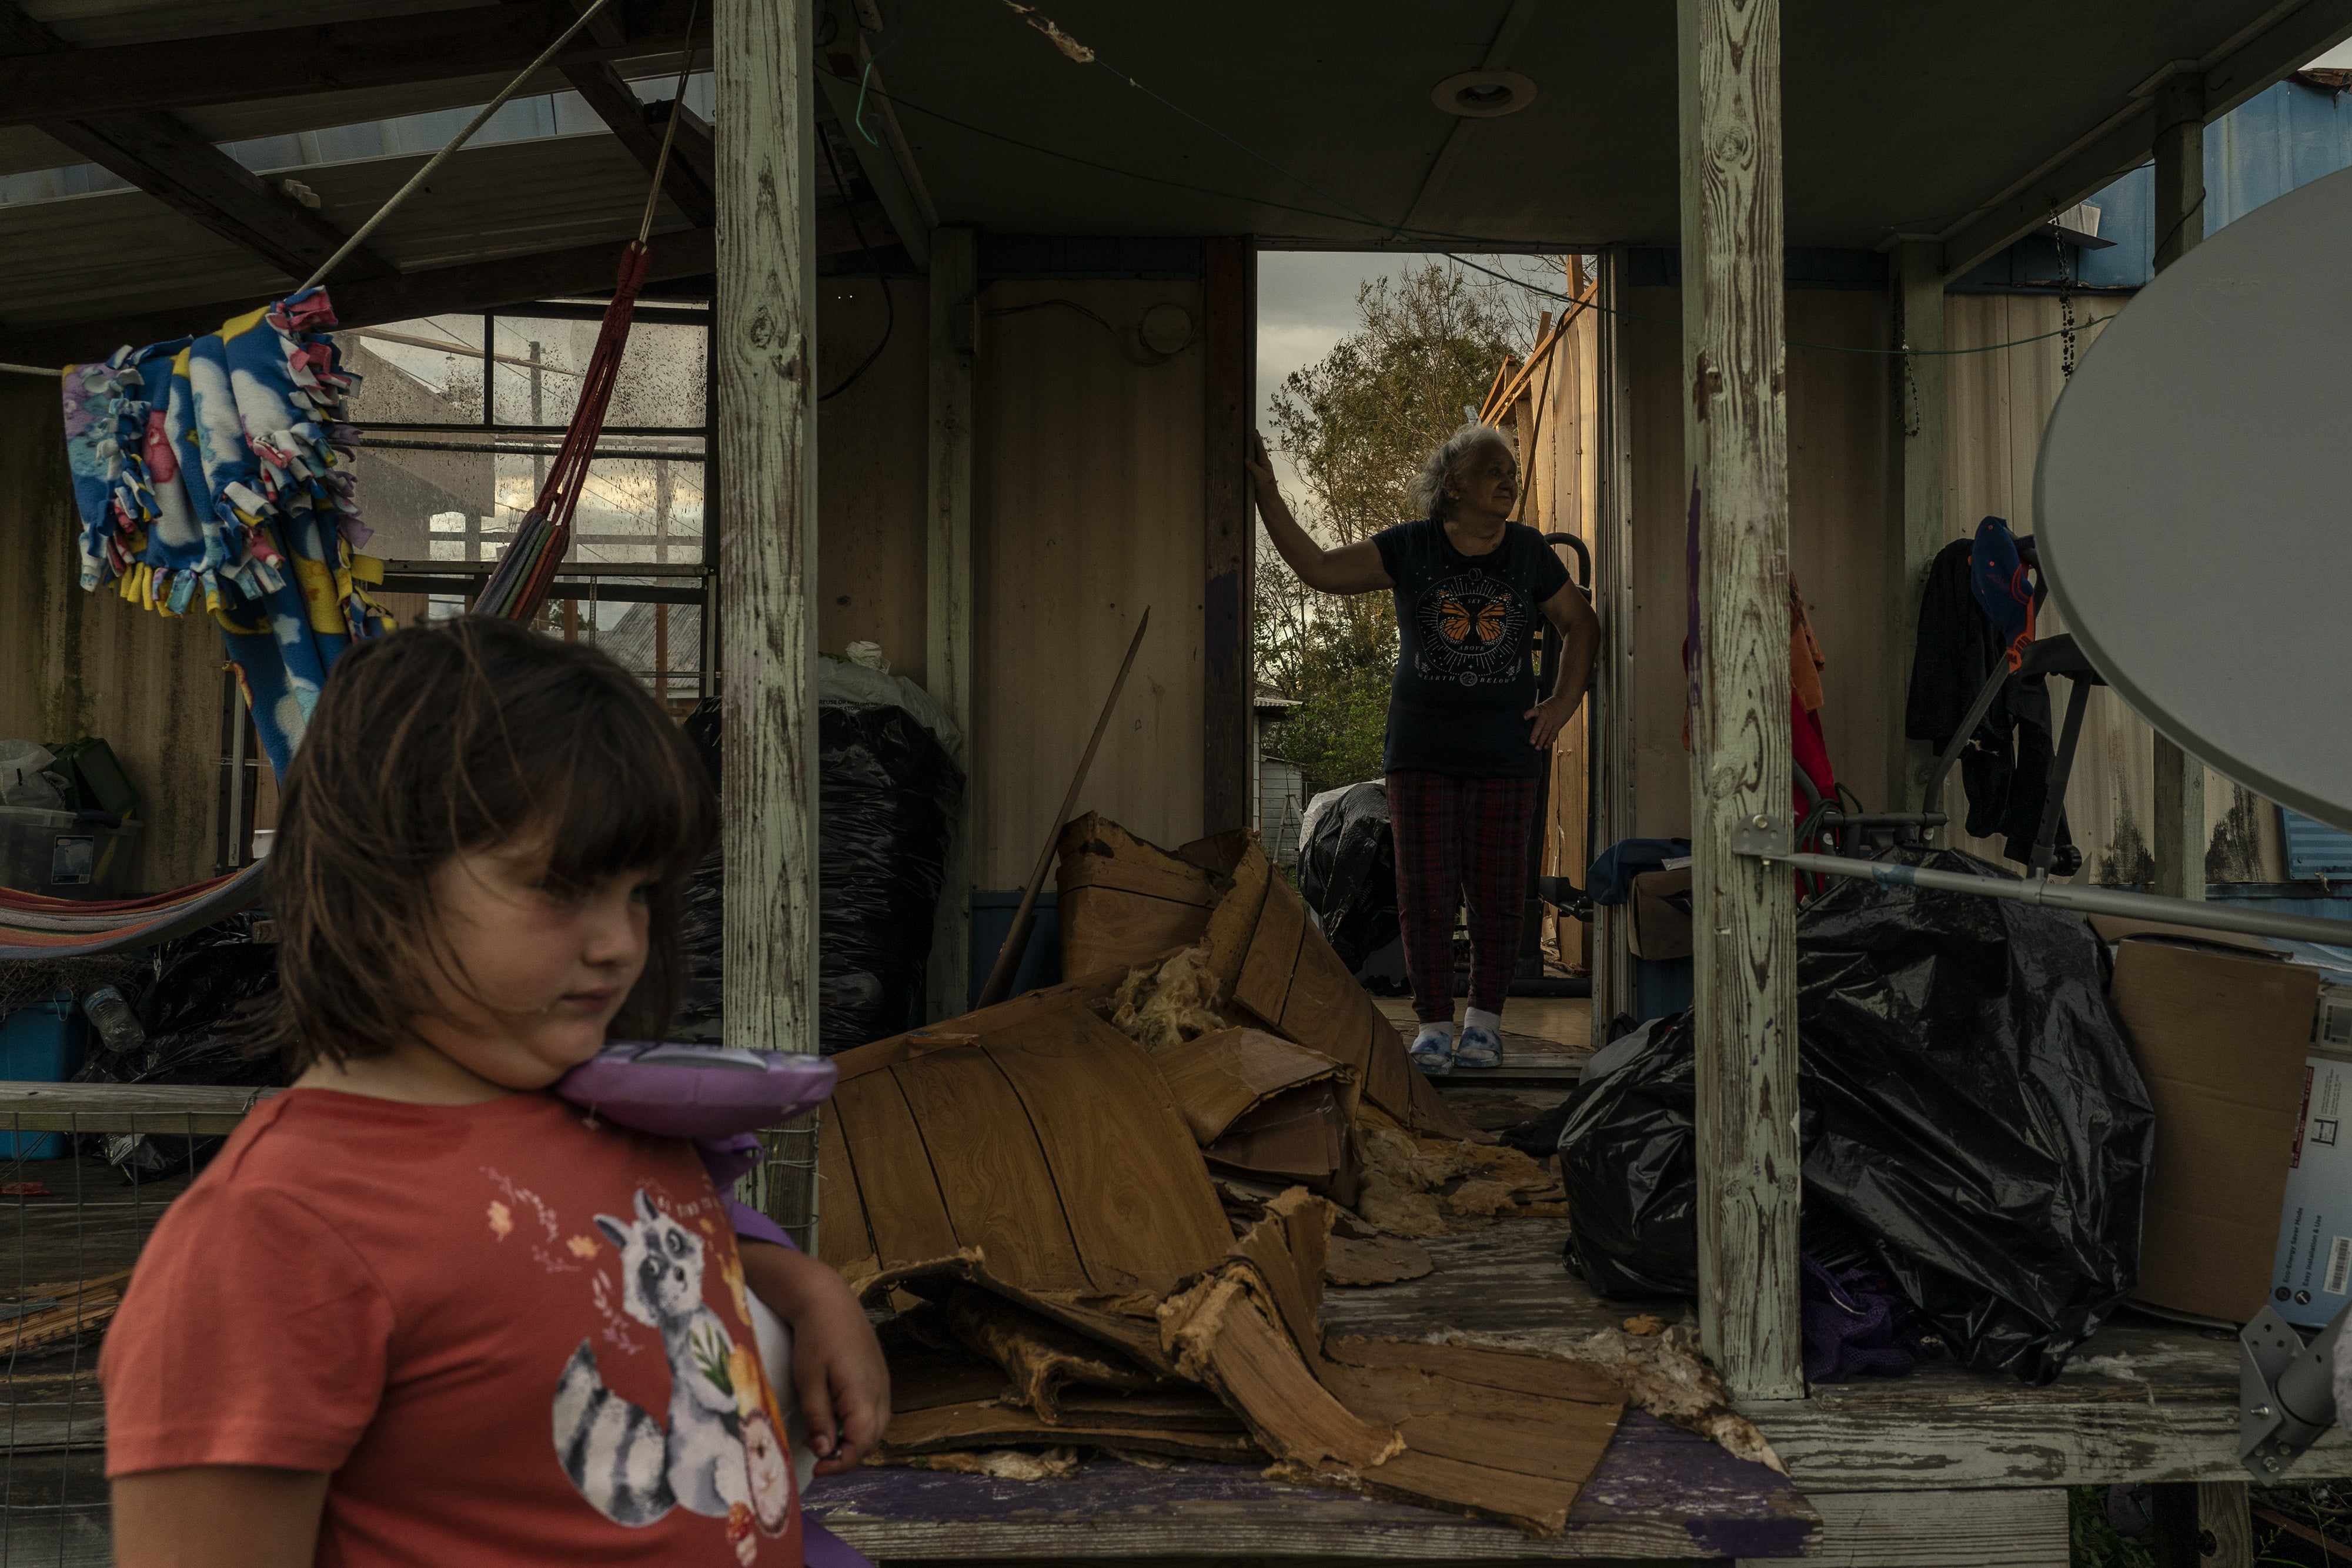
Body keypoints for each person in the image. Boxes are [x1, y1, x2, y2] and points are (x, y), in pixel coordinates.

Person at [101, 616, 889, 1568]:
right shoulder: (275, 1233)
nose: (619, 943)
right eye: (561, 887)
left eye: (638, 891)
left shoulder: (599, 1112)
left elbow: (619, 1263)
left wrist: (807, 1288)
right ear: (379, 878)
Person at [1247, 422, 1599, 1072]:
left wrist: (1561, 705)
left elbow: (1581, 624)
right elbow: (1319, 570)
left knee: (1495, 894)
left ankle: (1485, 1027)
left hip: (1506, 753)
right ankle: (1434, 1026)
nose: (1507, 479)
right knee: (1424, 893)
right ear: (1452, 485)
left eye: (1511, 472)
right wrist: (1268, 495)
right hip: (1420, 751)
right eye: (1492, 469)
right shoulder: (1410, 547)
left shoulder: (1527, 552)